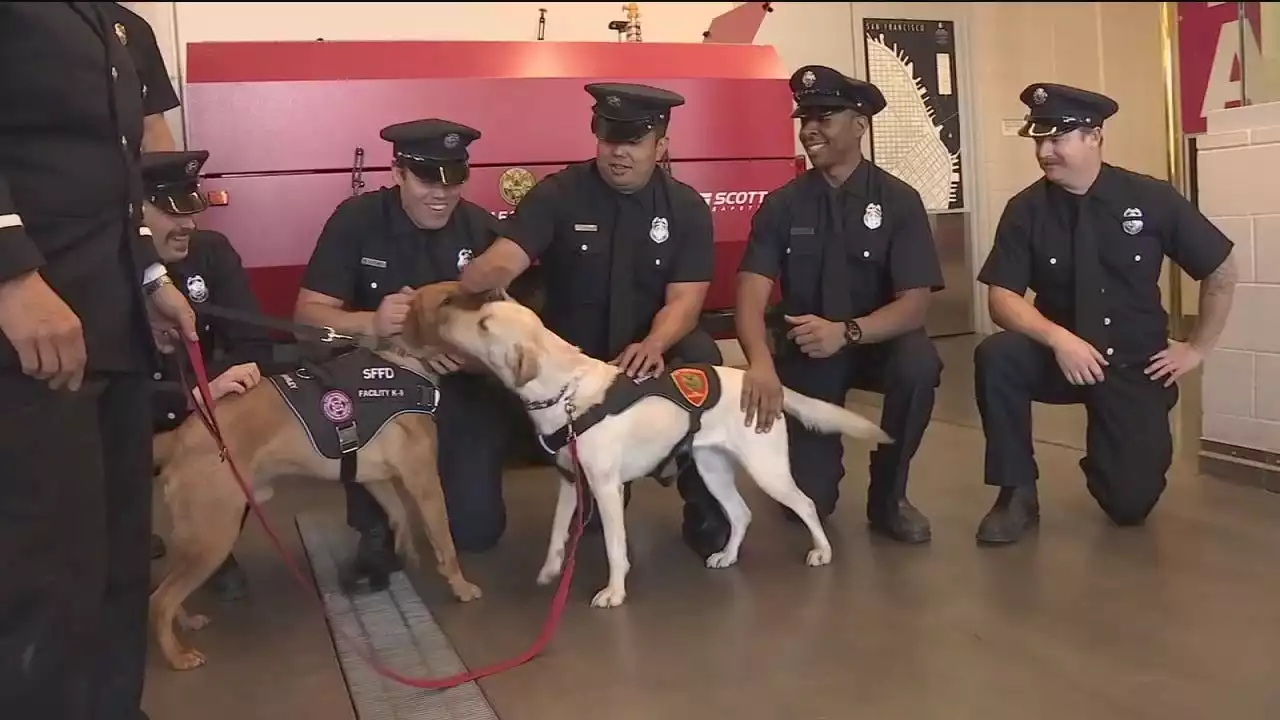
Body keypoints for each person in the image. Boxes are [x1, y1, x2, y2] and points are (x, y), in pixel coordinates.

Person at [0, 5, 199, 720]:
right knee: (44, 571)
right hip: (30, 329)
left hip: (109, 321)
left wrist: (150, 277)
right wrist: (12, 277)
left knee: (115, 556)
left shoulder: (108, 20)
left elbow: (121, 178)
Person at [456, 82, 733, 560]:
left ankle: (705, 503)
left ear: (661, 145)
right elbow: (510, 255)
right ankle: (592, 486)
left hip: (650, 346)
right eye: (609, 140)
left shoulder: (685, 207)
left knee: (703, 361)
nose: (618, 153)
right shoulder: (559, 195)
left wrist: (654, 343)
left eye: (633, 142)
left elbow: (686, 300)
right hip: (575, 355)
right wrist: (484, 274)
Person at [973, 83, 1238, 544]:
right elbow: (1002, 297)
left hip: (1134, 363)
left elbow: (1220, 269)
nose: (1044, 151)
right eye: (1039, 140)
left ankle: (1113, 450)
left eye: (1057, 139)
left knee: (1129, 505)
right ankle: (1016, 493)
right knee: (998, 356)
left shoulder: (1150, 198)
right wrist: (1059, 339)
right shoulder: (1026, 210)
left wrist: (1197, 348)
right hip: (1062, 358)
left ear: (1094, 136)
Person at [294, 118, 515, 587]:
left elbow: (511, 328)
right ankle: (375, 528)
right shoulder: (356, 220)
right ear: (398, 173)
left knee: (478, 533)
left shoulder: (480, 229)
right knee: (361, 402)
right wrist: (370, 323)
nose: (441, 193)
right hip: (380, 385)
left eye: (453, 180)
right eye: (426, 179)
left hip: (459, 385)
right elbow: (307, 318)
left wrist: (467, 353)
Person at [735, 65, 944, 543]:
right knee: (808, 503)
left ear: (860, 124)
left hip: (875, 341)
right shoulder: (783, 204)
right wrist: (760, 363)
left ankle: (890, 495)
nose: (809, 129)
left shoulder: (898, 200)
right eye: (804, 118)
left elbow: (913, 306)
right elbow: (751, 287)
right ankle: (813, 473)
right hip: (807, 349)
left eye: (824, 117)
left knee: (919, 365)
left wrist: (847, 331)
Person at [143, 149, 281, 601]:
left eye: (191, 210)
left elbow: (254, 343)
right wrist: (190, 398)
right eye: (169, 211)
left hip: (198, 414)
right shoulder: (98, 270)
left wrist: (214, 393)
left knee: (239, 415)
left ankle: (211, 543)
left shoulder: (212, 253)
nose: (187, 224)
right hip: (129, 417)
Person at [103, 2, 182, 152]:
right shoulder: (47, 27)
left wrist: (166, 173)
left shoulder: (133, 28)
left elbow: (153, 128)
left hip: (121, 170)